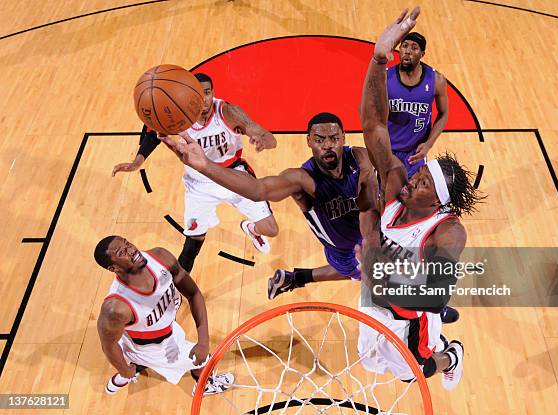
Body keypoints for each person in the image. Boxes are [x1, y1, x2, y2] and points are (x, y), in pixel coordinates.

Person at [357, 6, 484, 390]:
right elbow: (373, 124)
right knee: (369, 362)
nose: (413, 181)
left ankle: (450, 354)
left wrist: (378, 274)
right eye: (419, 176)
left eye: (423, 182)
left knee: (415, 371)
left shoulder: (449, 233)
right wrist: (378, 60)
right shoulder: (398, 182)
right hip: (377, 290)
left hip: (412, 313)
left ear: (436, 201)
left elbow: (432, 295)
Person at [161, 112, 379, 300]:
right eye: (319, 139)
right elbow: (259, 190)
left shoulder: (359, 157)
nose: (327, 145)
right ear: (308, 141)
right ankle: (296, 278)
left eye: (334, 138)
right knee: (403, 293)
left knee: (400, 282)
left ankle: (293, 278)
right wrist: (205, 165)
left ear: (343, 137)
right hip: (345, 255)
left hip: (375, 241)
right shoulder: (301, 179)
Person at [112, 73, 280, 275]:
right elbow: (154, 133)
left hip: (234, 175)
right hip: (199, 183)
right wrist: (136, 162)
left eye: (208, 93)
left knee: (272, 229)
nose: (204, 100)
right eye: (198, 95)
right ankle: (178, 288)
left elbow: (268, 138)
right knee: (193, 244)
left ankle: (251, 229)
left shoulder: (228, 112)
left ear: (213, 93)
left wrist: (263, 140)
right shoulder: (178, 113)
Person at [94, 235, 234, 395]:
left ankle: (128, 371)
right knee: (204, 361)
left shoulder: (160, 257)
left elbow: (194, 294)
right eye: (122, 252)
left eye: (127, 243)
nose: (131, 250)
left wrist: (203, 341)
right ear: (113, 268)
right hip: (153, 349)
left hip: (152, 328)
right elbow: (108, 346)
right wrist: (125, 370)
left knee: (134, 356)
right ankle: (204, 386)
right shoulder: (116, 308)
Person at [387, 29, 449, 177]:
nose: (407, 51)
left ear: (422, 54)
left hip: (416, 152)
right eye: (405, 46)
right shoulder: (385, 78)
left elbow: (444, 113)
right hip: (388, 150)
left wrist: (429, 144)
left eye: (414, 48)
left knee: (414, 197)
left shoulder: (437, 80)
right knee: (386, 198)